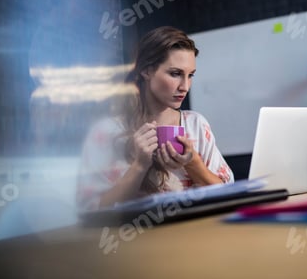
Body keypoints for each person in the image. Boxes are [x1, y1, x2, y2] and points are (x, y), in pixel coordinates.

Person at [76, 26, 234, 211]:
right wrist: (139, 166)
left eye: (190, 75)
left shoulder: (196, 124)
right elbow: (91, 210)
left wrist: (193, 163)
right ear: (147, 70)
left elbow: (228, 194)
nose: (185, 86)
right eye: (175, 74)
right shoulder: (106, 132)